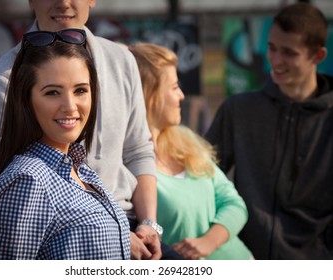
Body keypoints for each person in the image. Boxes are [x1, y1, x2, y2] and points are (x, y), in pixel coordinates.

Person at [0, 0, 168, 259]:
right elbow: (15, 196)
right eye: (52, 92)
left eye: (81, 90)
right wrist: (118, 237)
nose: (64, 3)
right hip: (70, 235)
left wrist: (149, 225)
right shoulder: (2, 80)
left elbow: (138, 150)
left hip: (130, 223)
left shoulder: (121, 60)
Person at [206, 3, 333, 259]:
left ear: (318, 56)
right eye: (272, 48)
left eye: (289, 53)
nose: (276, 60)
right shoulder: (238, 110)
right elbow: (202, 178)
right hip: (248, 259)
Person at [129, 42, 253, 260]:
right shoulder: (126, 169)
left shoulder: (185, 142)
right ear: (150, 95)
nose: (182, 96)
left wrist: (207, 242)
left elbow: (235, 203)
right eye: (175, 87)